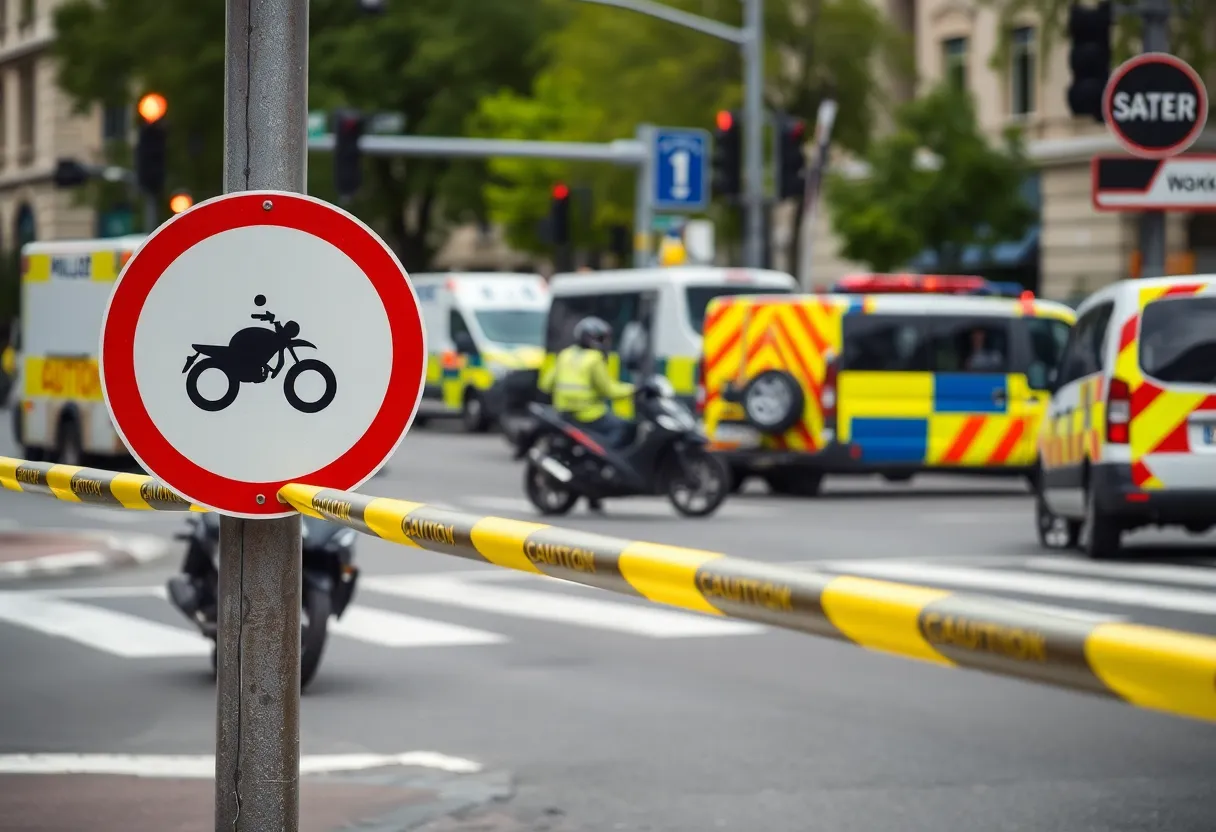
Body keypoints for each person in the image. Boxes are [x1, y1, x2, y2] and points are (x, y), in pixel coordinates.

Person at [539, 316, 635, 448]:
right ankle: (607, 458)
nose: (605, 343)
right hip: (589, 414)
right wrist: (634, 389)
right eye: (602, 339)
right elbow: (609, 390)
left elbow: (545, 385)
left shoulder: (564, 354)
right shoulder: (594, 358)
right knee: (625, 427)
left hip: (563, 414)